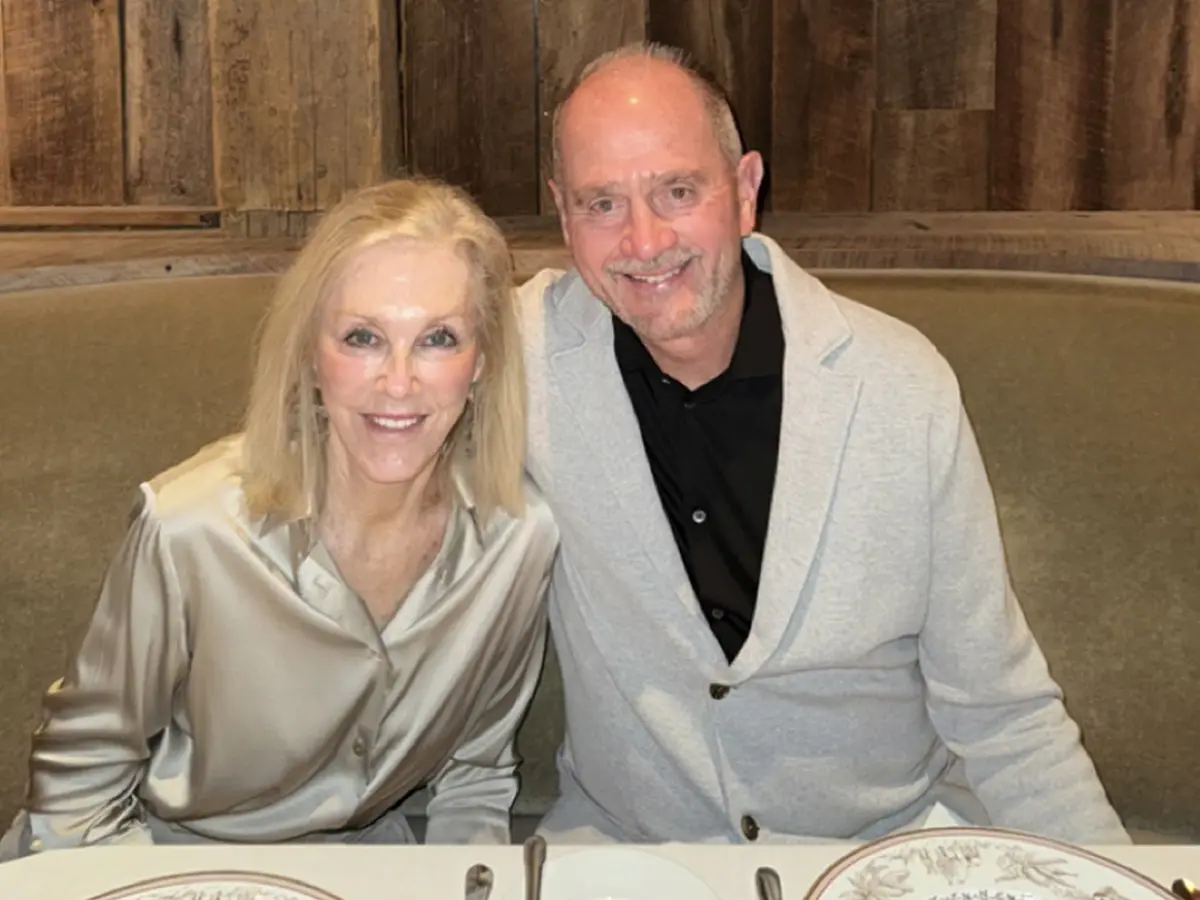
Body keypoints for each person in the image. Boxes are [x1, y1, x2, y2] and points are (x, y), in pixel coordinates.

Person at [517, 42, 1130, 845]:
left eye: (677, 189)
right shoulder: (521, 359)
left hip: (885, 854)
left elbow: (1002, 712)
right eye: (602, 204)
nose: (643, 239)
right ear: (563, 216)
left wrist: (1113, 878)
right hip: (629, 855)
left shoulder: (899, 387)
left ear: (743, 193)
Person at [0, 177, 558, 859]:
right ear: (310, 357)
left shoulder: (519, 541)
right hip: (163, 859)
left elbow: (474, 778)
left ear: (483, 362)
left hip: (363, 867)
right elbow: (74, 790)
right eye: (363, 337)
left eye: (438, 338)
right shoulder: (192, 529)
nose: (399, 381)